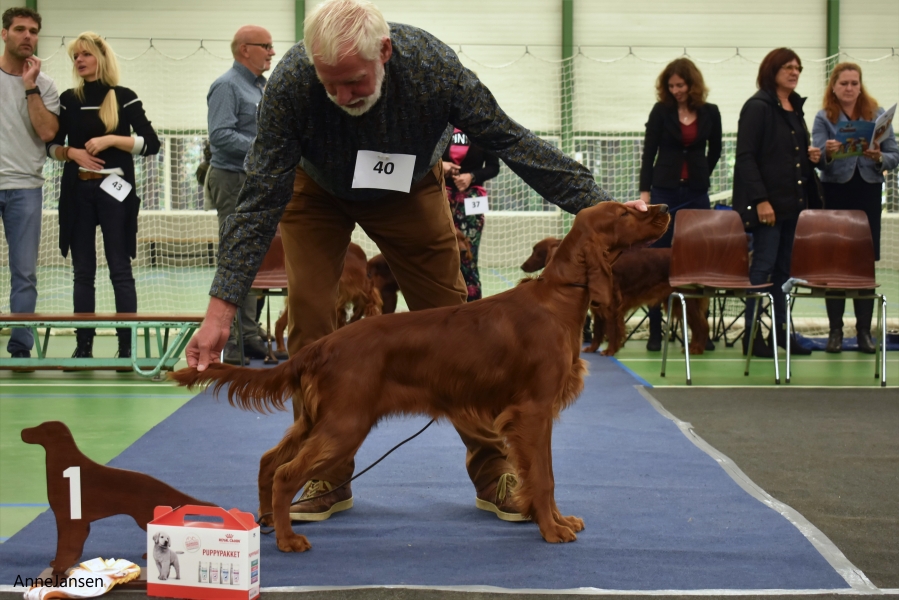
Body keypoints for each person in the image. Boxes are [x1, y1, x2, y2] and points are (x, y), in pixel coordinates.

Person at [186, 0, 643, 523]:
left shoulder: (431, 66)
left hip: (406, 187)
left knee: (460, 327)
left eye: (354, 82)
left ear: (384, 52)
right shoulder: (291, 79)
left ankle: (493, 469)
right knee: (311, 324)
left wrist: (600, 203)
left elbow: (512, 142)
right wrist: (221, 308)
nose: (342, 96)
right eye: (329, 84)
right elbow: (259, 197)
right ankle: (325, 472)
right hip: (316, 191)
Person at [48, 33, 160, 359]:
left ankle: (126, 348)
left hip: (115, 191)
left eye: (85, 54)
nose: (79, 60)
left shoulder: (124, 97)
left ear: (101, 58)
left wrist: (112, 140)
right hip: (78, 193)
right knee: (83, 272)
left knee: (119, 269)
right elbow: (50, 146)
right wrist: (71, 153)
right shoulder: (68, 99)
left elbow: (151, 143)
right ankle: (83, 346)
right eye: (75, 56)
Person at [733, 48, 821, 358]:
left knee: (785, 273)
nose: (794, 72)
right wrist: (760, 200)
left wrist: (810, 156)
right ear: (772, 71)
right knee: (762, 269)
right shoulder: (757, 107)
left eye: (798, 68)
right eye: (788, 67)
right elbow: (746, 157)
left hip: (794, 205)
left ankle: (781, 333)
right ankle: (752, 335)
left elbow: (788, 155)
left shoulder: (794, 107)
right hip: (768, 207)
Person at [812, 62, 899, 354]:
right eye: (844, 83)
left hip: (868, 192)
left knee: (864, 262)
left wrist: (878, 158)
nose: (849, 88)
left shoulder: (877, 114)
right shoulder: (824, 117)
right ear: (834, 87)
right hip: (835, 192)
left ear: (860, 86)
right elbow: (817, 157)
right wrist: (827, 153)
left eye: (854, 83)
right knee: (835, 261)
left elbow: (894, 154)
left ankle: (864, 333)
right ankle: (835, 332)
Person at [206, 25, 278, 365]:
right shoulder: (227, 86)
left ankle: (248, 335)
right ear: (244, 49)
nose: (272, 52)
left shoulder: (262, 87)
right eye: (266, 46)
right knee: (236, 257)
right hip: (232, 179)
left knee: (255, 259)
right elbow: (220, 135)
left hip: (255, 181)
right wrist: (265, 150)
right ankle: (231, 341)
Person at [638, 57, 721, 351]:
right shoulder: (661, 112)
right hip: (664, 191)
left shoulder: (710, 112)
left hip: (696, 193)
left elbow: (716, 150)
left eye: (680, 85)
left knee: (698, 259)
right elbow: (649, 152)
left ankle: (700, 331)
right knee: (657, 260)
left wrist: (700, 174)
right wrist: (645, 192)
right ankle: (655, 331)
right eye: (671, 86)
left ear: (692, 84)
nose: (676, 91)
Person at [0, 7, 59, 364]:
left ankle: (20, 348)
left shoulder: (45, 85)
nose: (27, 36)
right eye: (20, 29)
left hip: (25, 188)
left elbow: (48, 132)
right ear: (4, 33)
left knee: (24, 272)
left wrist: (29, 86)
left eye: (33, 31)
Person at [441, 128, 499, 301]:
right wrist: (440, 166)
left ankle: (473, 307)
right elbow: (425, 158)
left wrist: (471, 176)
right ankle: (442, 307)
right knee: (441, 256)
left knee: (468, 258)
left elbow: (494, 167)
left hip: (472, 198)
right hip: (440, 196)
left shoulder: (484, 131)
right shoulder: (440, 126)